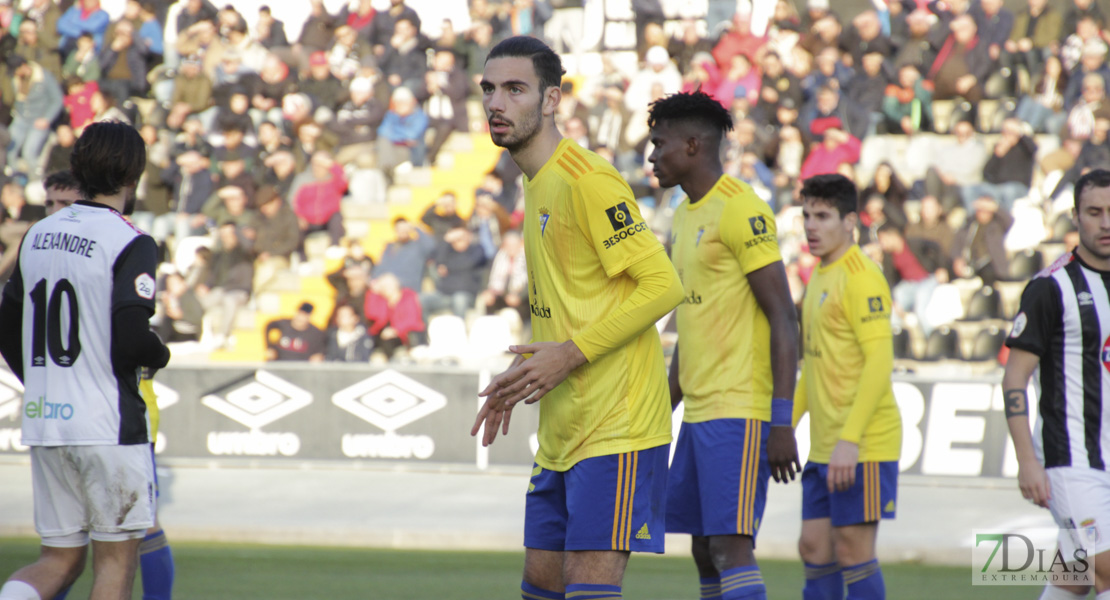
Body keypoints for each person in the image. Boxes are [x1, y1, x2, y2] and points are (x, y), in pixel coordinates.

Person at [470, 36, 684, 599]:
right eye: (489, 89)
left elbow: (664, 285)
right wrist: (524, 375)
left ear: (550, 99)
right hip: (562, 431)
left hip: (616, 425)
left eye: (515, 89)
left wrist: (569, 354)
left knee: (587, 589)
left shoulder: (587, 178)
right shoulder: (534, 182)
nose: (497, 102)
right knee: (541, 587)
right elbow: (568, 305)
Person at [0, 121, 171, 600]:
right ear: (134, 175)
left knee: (57, 559)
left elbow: (5, 324)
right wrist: (161, 352)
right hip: (105, 422)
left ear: (78, 168)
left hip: (46, 420)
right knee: (115, 563)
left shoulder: (37, 234)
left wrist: (42, 381)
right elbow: (134, 338)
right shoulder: (130, 240)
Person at [647, 90, 800, 600]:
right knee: (700, 547)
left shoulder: (741, 209)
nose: (651, 155)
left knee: (731, 547)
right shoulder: (686, 215)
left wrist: (781, 420)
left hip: (739, 410)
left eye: (659, 143)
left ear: (692, 145)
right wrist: (661, 406)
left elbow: (784, 317)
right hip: (699, 413)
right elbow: (691, 321)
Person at [1003, 168, 1110, 600]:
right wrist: (1028, 461)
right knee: (1105, 569)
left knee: (1075, 575)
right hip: (1071, 459)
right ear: (1075, 217)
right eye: (1094, 212)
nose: (1105, 222)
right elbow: (1014, 377)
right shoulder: (1051, 288)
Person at [794, 174, 902, 600]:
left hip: (863, 444)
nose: (811, 226)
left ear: (850, 221)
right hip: (823, 446)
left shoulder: (861, 276)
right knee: (813, 548)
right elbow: (813, 365)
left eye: (822, 216)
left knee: (852, 551)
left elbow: (880, 362)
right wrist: (782, 425)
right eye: (806, 215)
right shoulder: (819, 275)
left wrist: (850, 440)